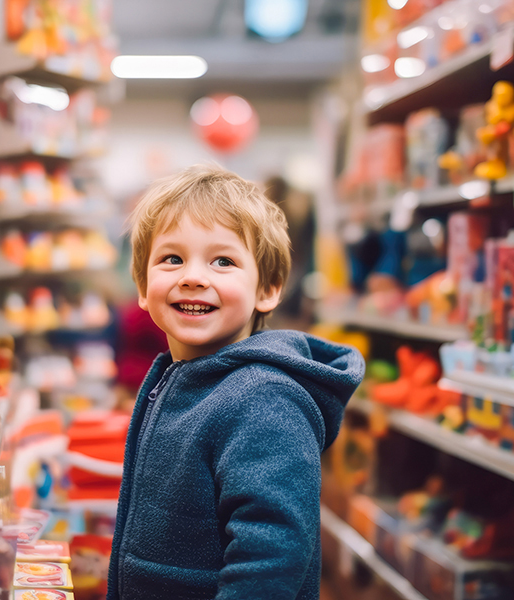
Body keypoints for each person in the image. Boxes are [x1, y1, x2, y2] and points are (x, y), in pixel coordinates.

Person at [106, 164, 365, 600]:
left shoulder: (265, 400)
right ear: (142, 285)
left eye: (222, 261)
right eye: (172, 258)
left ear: (267, 289)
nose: (193, 276)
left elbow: (270, 557)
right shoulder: (179, 380)